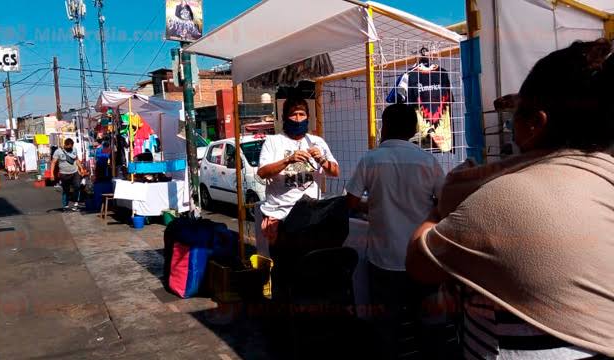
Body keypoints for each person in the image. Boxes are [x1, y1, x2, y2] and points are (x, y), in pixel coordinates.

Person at [406, 39, 614, 358]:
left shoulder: (503, 198)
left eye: (514, 115)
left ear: (535, 124)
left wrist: (440, 207)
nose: (510, 125)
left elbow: (420, 263)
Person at [346, 103, 444, 318]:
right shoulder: (427, 161)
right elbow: (445, 202)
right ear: (413, 130)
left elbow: (351, 202)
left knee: (386, 327)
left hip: (384, 259)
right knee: (427, 327)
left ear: (385, 127)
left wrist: (373, 205)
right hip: (421, 256)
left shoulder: (370, 160)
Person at [257, 96, 340, 243]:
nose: (298, 118)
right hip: (280, 217)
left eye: (302, 114)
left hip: (310, 216)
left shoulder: (317, 141)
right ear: (285, 118)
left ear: (308, 117)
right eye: (293, 114)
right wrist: (288, 160)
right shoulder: (273, 141)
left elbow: (335, 172)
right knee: (284, 263)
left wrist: (321, 159)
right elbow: (262, 173)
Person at [50, 138, 86, 212]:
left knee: (77, 187)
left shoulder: (74, 149)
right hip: (64, 174)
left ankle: (75, 204)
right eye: (69, 147)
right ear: (65, 145)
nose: (71, 148)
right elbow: (53, 163)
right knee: (66, 190)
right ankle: (65, 206)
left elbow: (76, 159)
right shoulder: (58, 151)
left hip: (75, 172)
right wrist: (52, 174)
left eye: (71, 147)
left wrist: (81, 168)